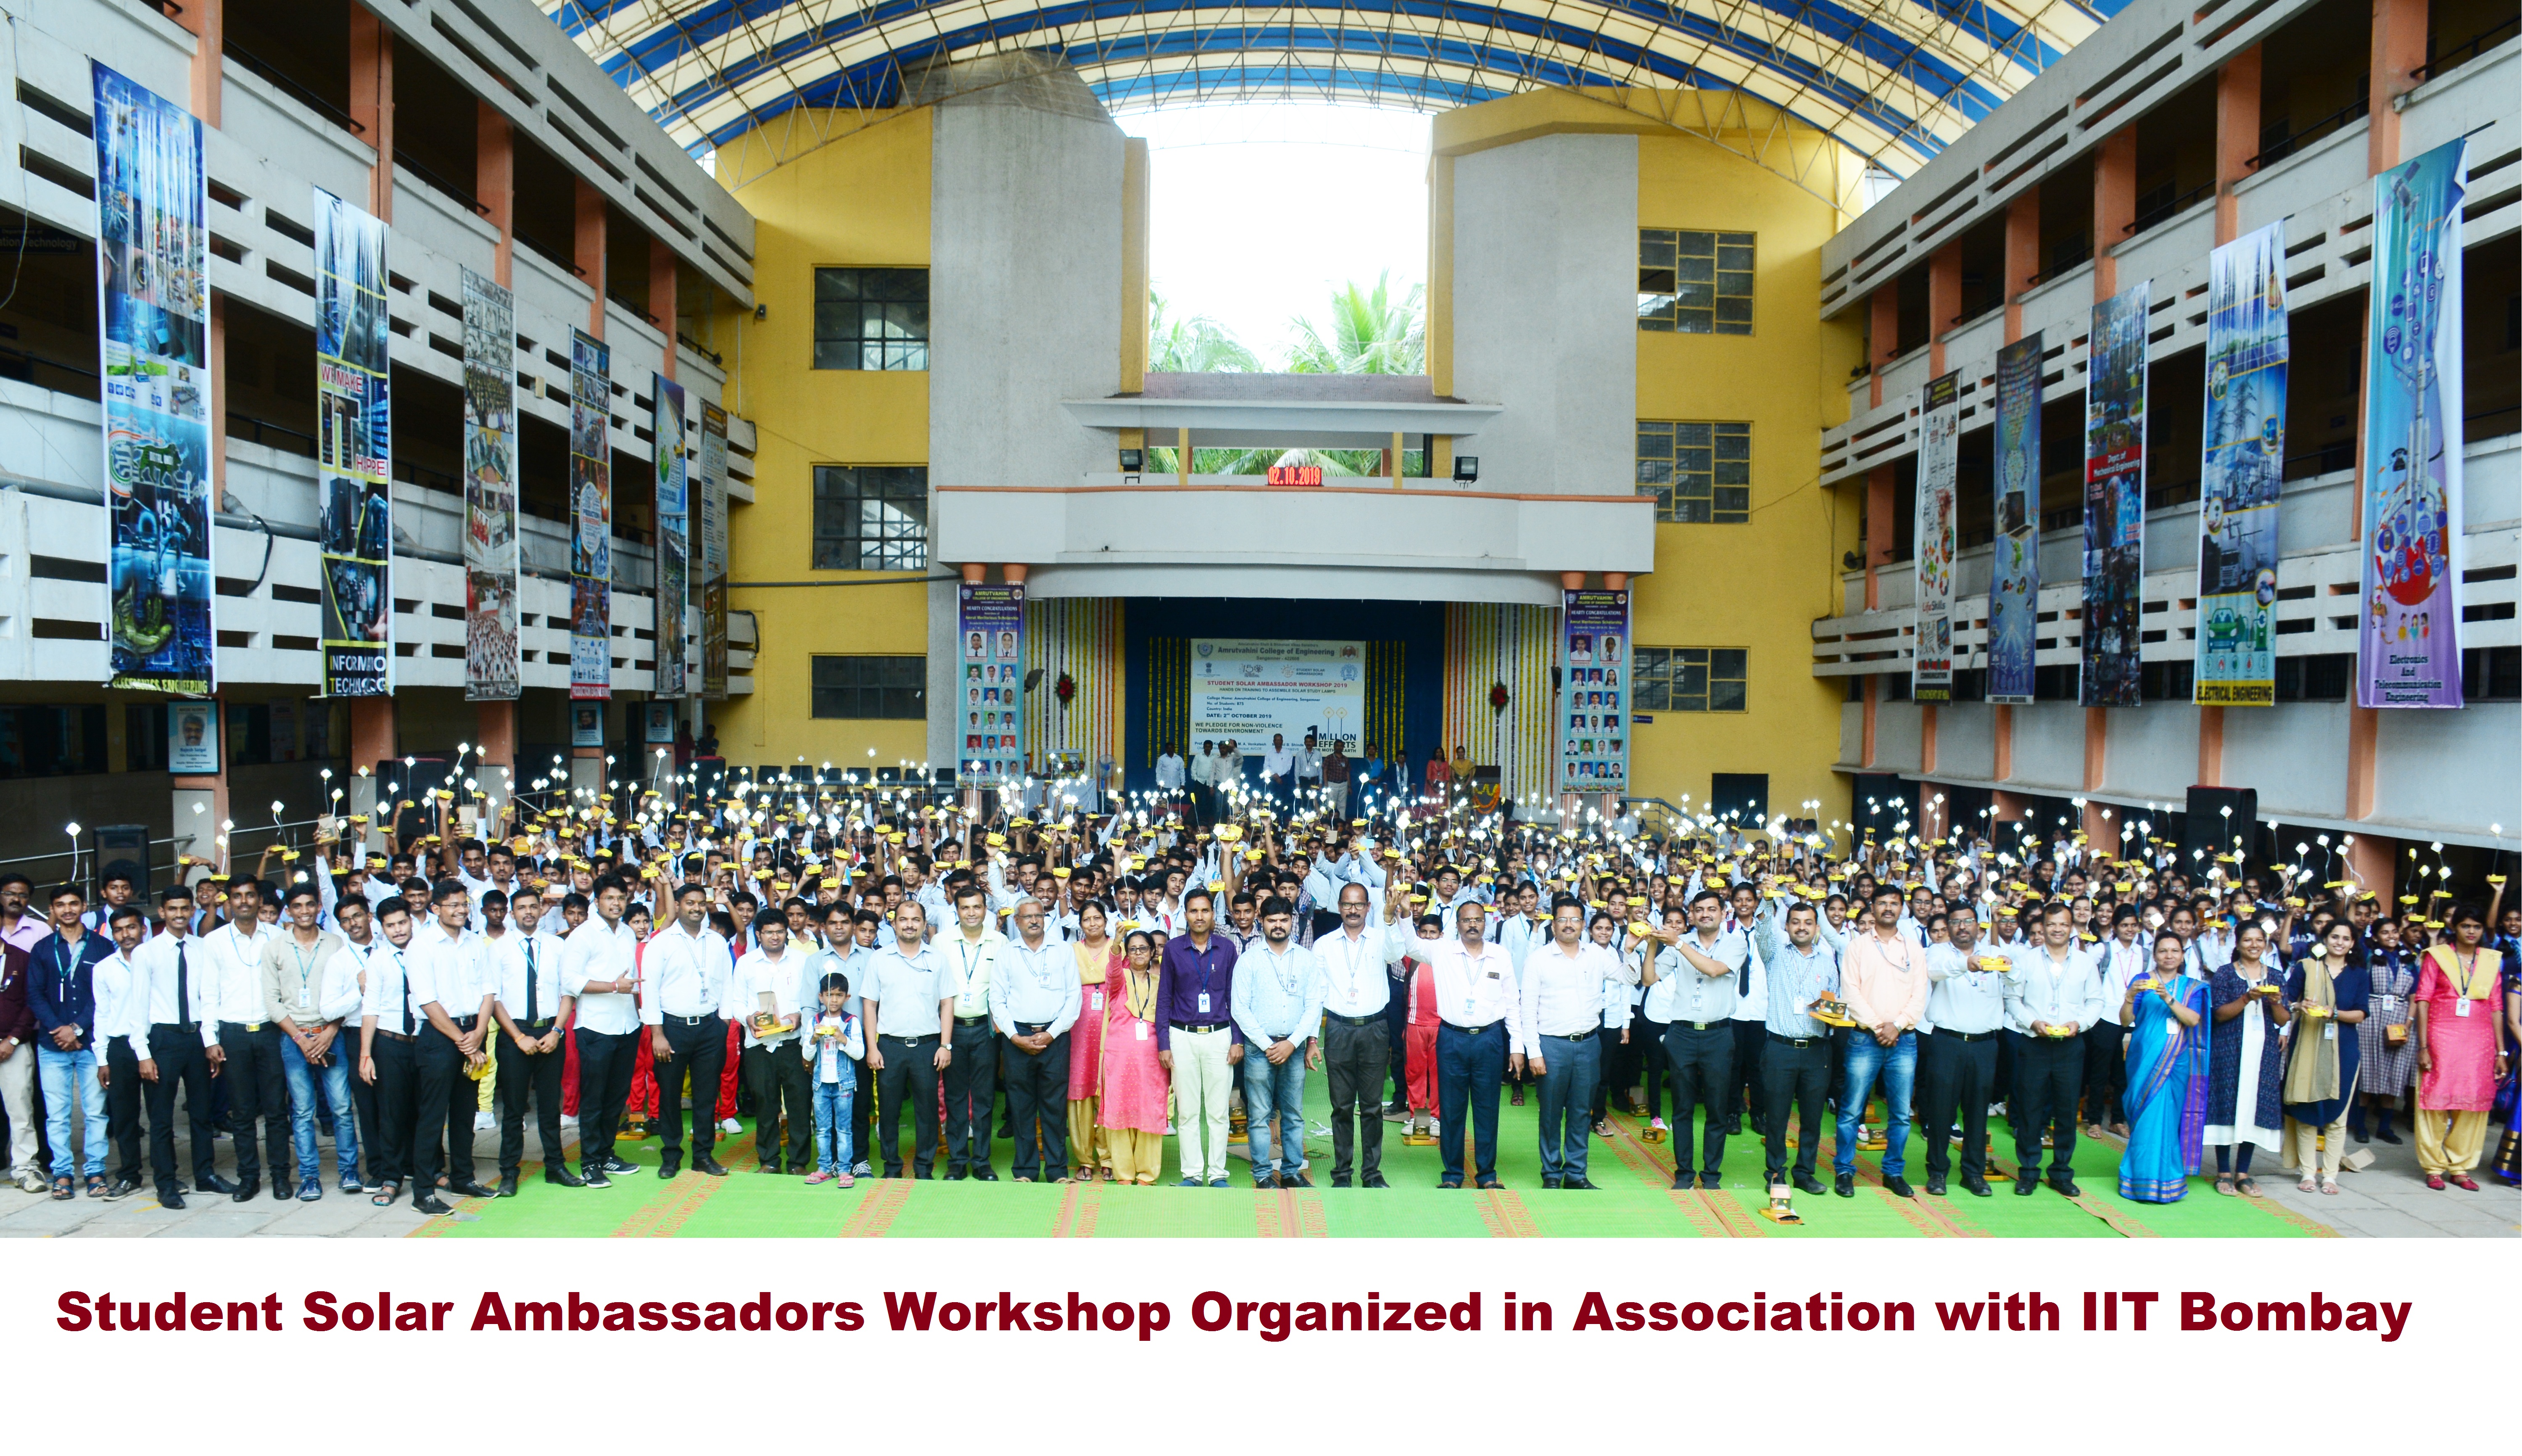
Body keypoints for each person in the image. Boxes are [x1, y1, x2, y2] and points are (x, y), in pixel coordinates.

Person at [1521, 894, 1629, 1190]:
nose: (1569, 925)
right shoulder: (1538, 959)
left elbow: (1629, 978)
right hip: (1551, 1046)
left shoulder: (1597, 955)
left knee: (1582, 1111)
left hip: (1589, 1045)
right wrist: (1534, 1052)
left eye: (1575, 920)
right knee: (1551, 1112)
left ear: (1583, 924)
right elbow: (1527, 1008)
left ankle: (1577, 1173)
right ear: (1553, 924)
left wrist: (1631, 949)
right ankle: (1551, 1173)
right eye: (1562, 919)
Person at [135, 885, 231, 1209]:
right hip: (163, 1038)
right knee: (161, 1118)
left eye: (184, 909)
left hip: (196, 1037)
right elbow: (139, 1007)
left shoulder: (203, 948)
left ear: (192, 911)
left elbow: (210, 997)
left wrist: (211, 1041)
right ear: (162, 912)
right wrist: (143, 1053)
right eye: (172, 909)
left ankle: (205, 1174)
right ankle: (166, 1183)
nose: (179, 915)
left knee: (202, 1113)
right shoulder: (147, 953)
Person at [2002, 902, 2106, 1197]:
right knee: (2030, 1109)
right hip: (2034, 1043)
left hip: (2070, 1045)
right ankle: (2028, 1172)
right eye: (2051, 924)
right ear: (2042, 928)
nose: (2057, 930)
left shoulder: (2085, 963)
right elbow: (2012, 998)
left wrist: (2080, 1024)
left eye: (2063, 924)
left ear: (2072, 928)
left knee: (2067, 1110)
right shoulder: (2026, 960)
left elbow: (2096, 1001)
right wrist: (2032, 1022)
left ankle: (2061, 1172)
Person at [259, 884, 355, 1199]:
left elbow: (348, 993)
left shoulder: (336, 943)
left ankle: (349, 1171)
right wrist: (301, 1039)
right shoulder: (274, 948)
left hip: (331, 1034)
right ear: (288, 910)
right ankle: (310, 1177)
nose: (304, 911)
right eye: (297, 906)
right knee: (302, 1111)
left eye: (310, 905)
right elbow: (272, 1002)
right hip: (294, 1038)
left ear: (318, 908)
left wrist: (329, 1032)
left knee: (342, 1107)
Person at [407, 882, 497, 1211]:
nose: (461, 910)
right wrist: (464, 1042)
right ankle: (423, 1192)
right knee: (433, 1116)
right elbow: (427, 1002)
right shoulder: (422, 946)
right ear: (436, 909)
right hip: (440, 1037)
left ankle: (463, 1177)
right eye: (453, 905)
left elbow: (489, 990)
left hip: (473, 1030)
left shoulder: (475, 942)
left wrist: (479, 1031)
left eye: (464, 904)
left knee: (465, 1112)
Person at [1651, 892, 1746, 1192]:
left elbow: (1714, 970)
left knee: (1717, 1108)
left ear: (1724, 913)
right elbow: (1649, 978)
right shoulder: (1679, 942)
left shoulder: (1735, 943)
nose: (1706, 914)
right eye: (1700, 909)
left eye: (1712, 909)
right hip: (1682, 1033)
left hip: (1719, 1034)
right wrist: (1652, 943)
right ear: (1691, 914)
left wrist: (1678, 944)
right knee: (1682, 1108)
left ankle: (1711, 1175)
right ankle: (1684, 1173)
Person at [26, 885, 115, 1198]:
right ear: (52, 909)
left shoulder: (102, 946)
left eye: (73, 904)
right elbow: (34, 995)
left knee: (96, 1112)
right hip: (53, 1045)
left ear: (84, 906)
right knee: (57, 1115)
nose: (67, 910)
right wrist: (60, 1030)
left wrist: (76, 1029)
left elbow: (105, 994)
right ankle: (62, 1173)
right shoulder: (42, 949)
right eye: (60, 905)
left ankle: (95, 1172)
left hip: (91, 1043)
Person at [2410, 905, 2507, 1191]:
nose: (2471, 931)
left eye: (2477, 927)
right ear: (2455, 927)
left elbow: (2497, 1007)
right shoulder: (2437, 956)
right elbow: (2423, 1000)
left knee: (2473, 1102)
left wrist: (2501, 1052)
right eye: (2466, 926)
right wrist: (2424, 1046)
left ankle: (2460, 1166)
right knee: (2434, 1101)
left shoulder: (2490, 960)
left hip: (2480, 1041)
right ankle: (2433, 1167)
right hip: (2441, 1037)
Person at [1840, 885, 1927, 1198]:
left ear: (1903, 908)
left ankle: (1893, 1172)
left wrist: (1898, 1025)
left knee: (1901, 1114)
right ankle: (1844, 1170)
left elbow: (1920, 994)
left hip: (1904, 1040)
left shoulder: (1914, 948)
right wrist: (1881, 1026)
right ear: (1872, 908)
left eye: (1894, 903)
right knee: (1852, 1110)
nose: (1888, 908)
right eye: (1882, 903)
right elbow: (1851, 993)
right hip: (1866, 1038)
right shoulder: (1858, 947)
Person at [206, 878, 290, 1201]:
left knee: (276, 1111)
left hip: (271, 1030)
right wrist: (210, 1039)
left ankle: (281, 1177)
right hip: (234, 1033)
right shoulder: (215, 941)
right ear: (230, 901)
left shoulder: (278, 936)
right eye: (238, 896)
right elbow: (208, 993)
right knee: (241, 1113)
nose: (244, 901)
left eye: (250, 895)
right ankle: (249, 1178)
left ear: (259, 900)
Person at [644, 883, 735, 1179]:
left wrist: (723, 1024)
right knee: (670, 1095)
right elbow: (650, 990)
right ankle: (671, 1156)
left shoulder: (717, 942)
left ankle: (703, 1156)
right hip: (672, 1028)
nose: (696, 908)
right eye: (690, 903)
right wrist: (657, 1034)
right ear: (678, 905)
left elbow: (727, 984)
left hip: (710, 1027)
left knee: (707, 1096)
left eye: (701, 903)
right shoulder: (661, 942)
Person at [490, 886, 576, 1195]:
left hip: (550, 1032)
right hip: (515, 1034)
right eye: (521, 908)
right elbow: (493, 999)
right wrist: (518, 1037)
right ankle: (509, 1172)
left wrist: (557, 1031)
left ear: (541, 909)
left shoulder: (557, 946)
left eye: (532, 907)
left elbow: (568, 992)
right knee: (514, 1108)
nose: (528, 912)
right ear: (512, 913)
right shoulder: (499, 948)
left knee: (550, 1106)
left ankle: (556, 1166)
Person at [1232, 895, 1322, 1189]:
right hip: (1259, 1049)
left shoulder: (1306, 959)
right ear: (1262, 922)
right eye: (1272, 920)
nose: (1278, 925)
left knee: (1293, 1114)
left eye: (1284, 920)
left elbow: (1314, 1005)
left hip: (1293, 1048)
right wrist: (1266, 1044)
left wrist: (1293, 1043)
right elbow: (1239, 1008)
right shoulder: (1249, 960)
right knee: (1259, 1115)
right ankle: (1262, 1174)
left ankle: (1291, 1172)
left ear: (1292, 921)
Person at [1430, 900, 1521, 1189]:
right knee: (1452, 1109)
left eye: (1478, 920)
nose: (1473, 925)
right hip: (1452, 1038)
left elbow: (1512, 1002)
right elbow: (1408, 943)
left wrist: (1517, 1046)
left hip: (1489, 1039)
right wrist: (1402, 914)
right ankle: (1453, 1175)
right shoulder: (1442, 951)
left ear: (1486, 923)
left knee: (1487, 1108)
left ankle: (1487, 1175)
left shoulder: (1500, 955)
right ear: (1457, 924)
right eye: (1467, 920)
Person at [864, 901, 957, 1178]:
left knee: (927, 1111)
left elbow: (947, 1004)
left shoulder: (937, 959)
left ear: (924, 924)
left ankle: (924, 1168)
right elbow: (870, 1005)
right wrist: (872, 1047)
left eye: (916, 920)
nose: (909, 925)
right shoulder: (879, 959)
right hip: (889, 1046)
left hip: (927, 1047)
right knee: (889, 1111)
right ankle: (892, 1167)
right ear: (894, 924)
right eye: (904, 919)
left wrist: (945, 1045)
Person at [2117, 930, 2209, 1203]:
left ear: (2182, 956)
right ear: (2155, 955)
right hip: (2144, 1058)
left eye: (2175, 951)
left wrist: (2168, 998)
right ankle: (2137, 1180)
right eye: (2163, 951)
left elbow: (2193, 1020)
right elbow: (2125, 1021)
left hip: (2175, 1063)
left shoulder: (2192, 987)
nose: (2169, 956)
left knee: (2167, 1119)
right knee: (2145, 1119)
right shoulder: (2142, 981)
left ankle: (2168, 1182)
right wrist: (2130, 997)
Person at [1156, 887, 1239, 1188]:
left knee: (1218, 1112)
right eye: (1194, 911)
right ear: (1186, 915)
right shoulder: (1174, 949)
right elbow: (1164, 998)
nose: (1200, 916)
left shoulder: (1227, 949)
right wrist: (1164, 1043)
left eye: (1205, 911)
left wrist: (1237, 1039)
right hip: (1182, 1036)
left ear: (1213, 914)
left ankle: (1217, 1174)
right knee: (1188, 1111)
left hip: (1220, 1035)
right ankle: (1191, 1174)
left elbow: (1235, 998)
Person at [1918, 905, 2003, 1198]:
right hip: (1947, 1042)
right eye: (1956, 922)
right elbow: (1934, 971)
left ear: (1978, 925)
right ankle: (1937, 1172)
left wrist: (2010, 967)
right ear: (1949, 927)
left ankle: (1974, 1174)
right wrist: (1967, 964)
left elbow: (2016, 981)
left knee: (1978, 1112)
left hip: (1985, 1045)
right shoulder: (1939, 952)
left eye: (1968, 921)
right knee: (1941, 1110)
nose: (1963, 927)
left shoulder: (1994, 954)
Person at [564, 875, 643, 1188]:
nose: (616, 904)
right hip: (596, 1027)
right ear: (596, 901)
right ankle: (589, 1162)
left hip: (627, 1025)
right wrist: (613, 987)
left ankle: (607, 1153)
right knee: (594, 1098)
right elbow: (570, 981)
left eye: (621, 898)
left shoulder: (627, 933)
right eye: (610, 898)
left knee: (617, 1096)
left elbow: (631, 981)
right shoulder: (583, 936)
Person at [992, 898, 1079, 1182]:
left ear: (1044, 918)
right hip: (1017, 1037)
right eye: (1027, 917)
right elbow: (997, 1000)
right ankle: (1025, 1170)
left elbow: (1074, 997)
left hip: (1056, 1037)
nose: (1033, 921)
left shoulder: (1063, 950)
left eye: (1038, 916)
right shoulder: (1006, 954)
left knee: (1054, 1107)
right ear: (1016, 921)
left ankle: (1056, 1171)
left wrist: (1052, 1034)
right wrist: (1015, 1037)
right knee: (1021, 1107)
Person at [2281, 920, 2368, 1195]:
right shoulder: (2307, 967)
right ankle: (2308, 1172)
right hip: (2307, 1043)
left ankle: (2330, 1176)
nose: (2340, 942)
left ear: (2352, 944)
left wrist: (2334, 1013)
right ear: (2325, 939)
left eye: (2346, 938)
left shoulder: (2358, 974)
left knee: (2337, 1115)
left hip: (2344, 1048)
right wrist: (2299, 1006)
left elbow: (2361, 1014)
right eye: (2335, 937)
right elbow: (2286, 1000)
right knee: (2307, 1109)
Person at [1314, 882, 1392, 1188]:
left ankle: (1372, 1173)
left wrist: (1391, 919)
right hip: (1338, 1029)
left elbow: (1398, 952)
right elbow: (1317, 992)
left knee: (1372, 1106)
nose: (1353, 910)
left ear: (1369, 908)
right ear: (1339, 907)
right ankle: (1342, 1173)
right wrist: (1312, 1039)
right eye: (1347, 904)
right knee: (1342, 1106)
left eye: (1360, 905)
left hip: (1374, 1029)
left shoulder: (1382, 939)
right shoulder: (1324, 944)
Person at [2204, 922, 2288, 1197]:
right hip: (2229, 1049)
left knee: (2254, 1106)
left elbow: (2283, 1019)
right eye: (2248, 940)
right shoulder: (2226, 974)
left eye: (2259, 940)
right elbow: (2219, 1014)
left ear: (2266, 943)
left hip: (2263, 1052)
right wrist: (2247, 997)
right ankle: (2223, 1172)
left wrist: (2275, 1001)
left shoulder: (2275, 975)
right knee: (2227, 1105)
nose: (2254, 945)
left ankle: (2243, 1173)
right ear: (2238, 944)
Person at [354, 898, 421, 1208]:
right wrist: (366, 1054)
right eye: (391, 925)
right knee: (392, 1113)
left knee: (426, 1111)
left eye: (402, 923)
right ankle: (391, 1177)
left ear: (411, 921)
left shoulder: (426, 952)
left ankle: (428, 1170)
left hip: (425, 1039)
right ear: (381, 928)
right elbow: (371, 1007)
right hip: (390, 1042)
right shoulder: (378, 960)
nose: (398, 930)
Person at [937, 885, 1007, 1180]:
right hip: (952, 1030)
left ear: (985, 910)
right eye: (965, 908)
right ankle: (957, 1161)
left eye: (977, 907)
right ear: (957, 911)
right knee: (954, 1097)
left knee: (983, 1097)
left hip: (985, 1030)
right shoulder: (941, 942)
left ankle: (981, 1161)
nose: (971, 913)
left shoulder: (1000, 942)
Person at [738, 909, 811, 1175]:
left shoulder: (802, 961)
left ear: (786, 933)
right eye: (769, 932)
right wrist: (748, 1018)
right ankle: (769, 1161)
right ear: (758, 934)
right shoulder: (746, 963)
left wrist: (799, 1016)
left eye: (780, 931)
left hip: (794, 1043)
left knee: (799, 1104)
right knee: (765, 1103)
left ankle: (798, 1162)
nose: (775, 937)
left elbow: (811, 999)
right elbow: (736, 1001)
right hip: (759, 1045)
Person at [1098, 928, 1171, 1184]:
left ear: (1152, 952)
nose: (1138, 953)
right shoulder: (1121, 978)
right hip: (1119, 1056)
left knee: (1149, 1109)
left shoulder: (1161, 981)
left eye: (1143, 948)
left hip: (1151, 1057)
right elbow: (1112, 972)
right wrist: (1117, 944)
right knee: (1120, 1109)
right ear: (1127, 954)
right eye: (1133, 949)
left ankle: (1148, 1172)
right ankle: (1124, 1173)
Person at [91, 904, 152, 1198]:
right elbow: (102, 1015)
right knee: (125, 1116)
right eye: (119, 930)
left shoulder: (157, 961)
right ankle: (130, 1175)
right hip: (121, 1046)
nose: (126, 934)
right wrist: (102, 1058)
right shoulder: (104, 969)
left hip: (154, 1044)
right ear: (112, 934)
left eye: (131, 927)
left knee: (160, 1114)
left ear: (143, 929)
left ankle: (167, 1173)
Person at [2353, 917, 2418, 1144]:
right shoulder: (2369, 956)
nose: (2391, 936)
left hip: (2400, 1017)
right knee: (2368, 1071)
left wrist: (2408, 1024)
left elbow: (2414, 997)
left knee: (2394, 1072)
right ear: (2375, 936)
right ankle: (2360, 1126)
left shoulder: (2409, 960)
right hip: (2372, 1017)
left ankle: (2385, 1128)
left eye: (2394, 932)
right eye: (2385, 932)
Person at [1064, 901, 1116, 1180]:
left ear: (1106, 921)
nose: (1093, 924)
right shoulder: (1070, 951)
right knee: (1080, 1092)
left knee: (1108, 1091)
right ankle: (1085, 1158)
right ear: (1080, 924)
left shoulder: (1118, 949)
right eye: (1087, 919)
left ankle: (1109, 1159)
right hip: (1079, 1029)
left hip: (1112, 1026)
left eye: (1098, 918)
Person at [805, 972, 863, 1186]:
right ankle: (824, 1168)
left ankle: (845, 1169)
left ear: (847, 997)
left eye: (839, 995)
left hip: (844, 1085)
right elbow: (807, 1055)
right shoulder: (815, 1021)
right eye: (829, 995)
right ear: (821, 997)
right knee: (822, 1129)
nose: (834, 1000)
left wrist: (843, 1039)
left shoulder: (851, 1022)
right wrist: (814, 1038)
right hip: (821, 1085)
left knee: (844, 1129)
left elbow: (860, 1054)